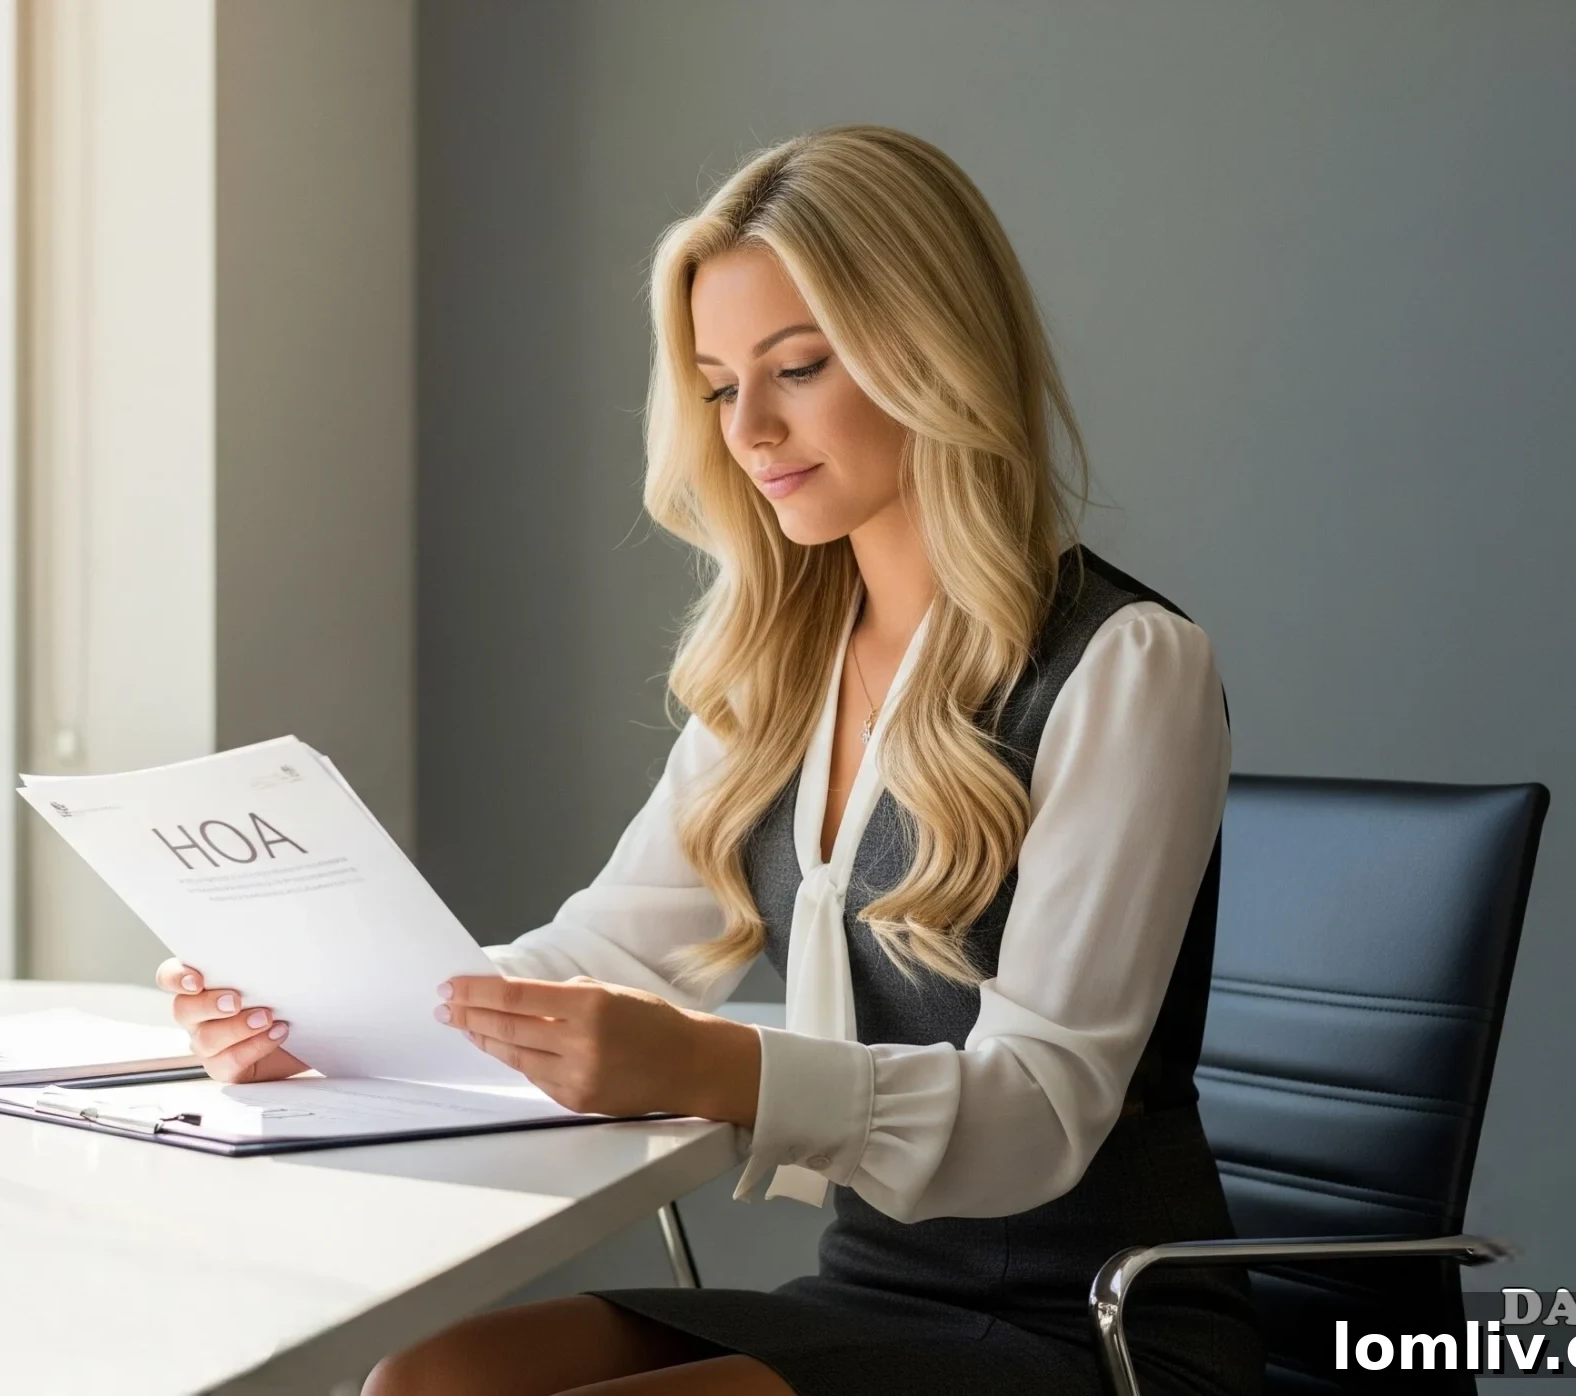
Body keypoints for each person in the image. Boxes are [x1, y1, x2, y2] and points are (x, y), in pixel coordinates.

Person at [155, 125, 1264, 1396]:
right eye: (721, 385)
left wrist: (711, 1065)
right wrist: (326, 1023)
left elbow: (1039, 1110)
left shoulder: (1126, 664)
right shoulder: (783, 667)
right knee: (424, 1383)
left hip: (1103, 1331)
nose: (752, 428)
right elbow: (598, 954)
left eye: (797, 366)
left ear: (936, 354)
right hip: (874, 1289)